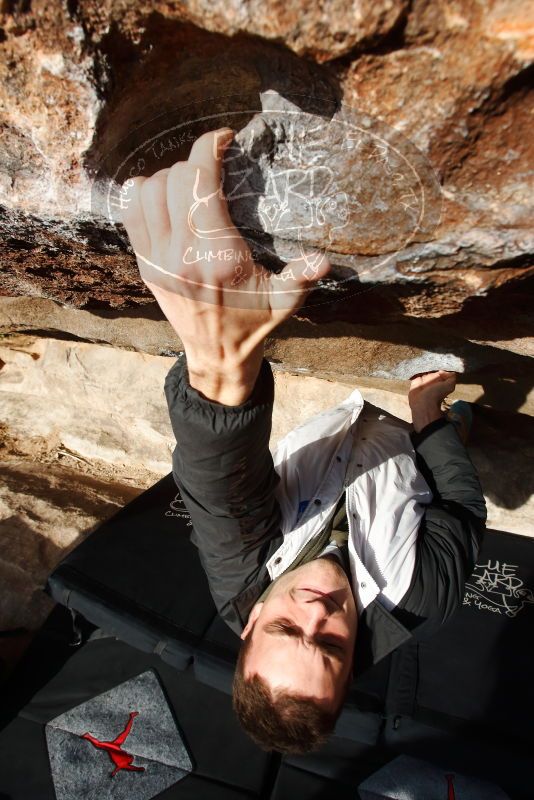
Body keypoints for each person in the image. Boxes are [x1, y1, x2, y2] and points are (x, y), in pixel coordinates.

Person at [118, 127, 487, 755]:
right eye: (333, 645)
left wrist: (218, 366)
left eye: (288, 626)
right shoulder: (419, 599)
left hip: (345, 429)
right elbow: (462, 509)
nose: (317, 611)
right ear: (357, 657)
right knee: (458, 434)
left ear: (251, 622)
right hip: (414, 445)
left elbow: (217, 486)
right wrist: (428, 418)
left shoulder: (241, 576)